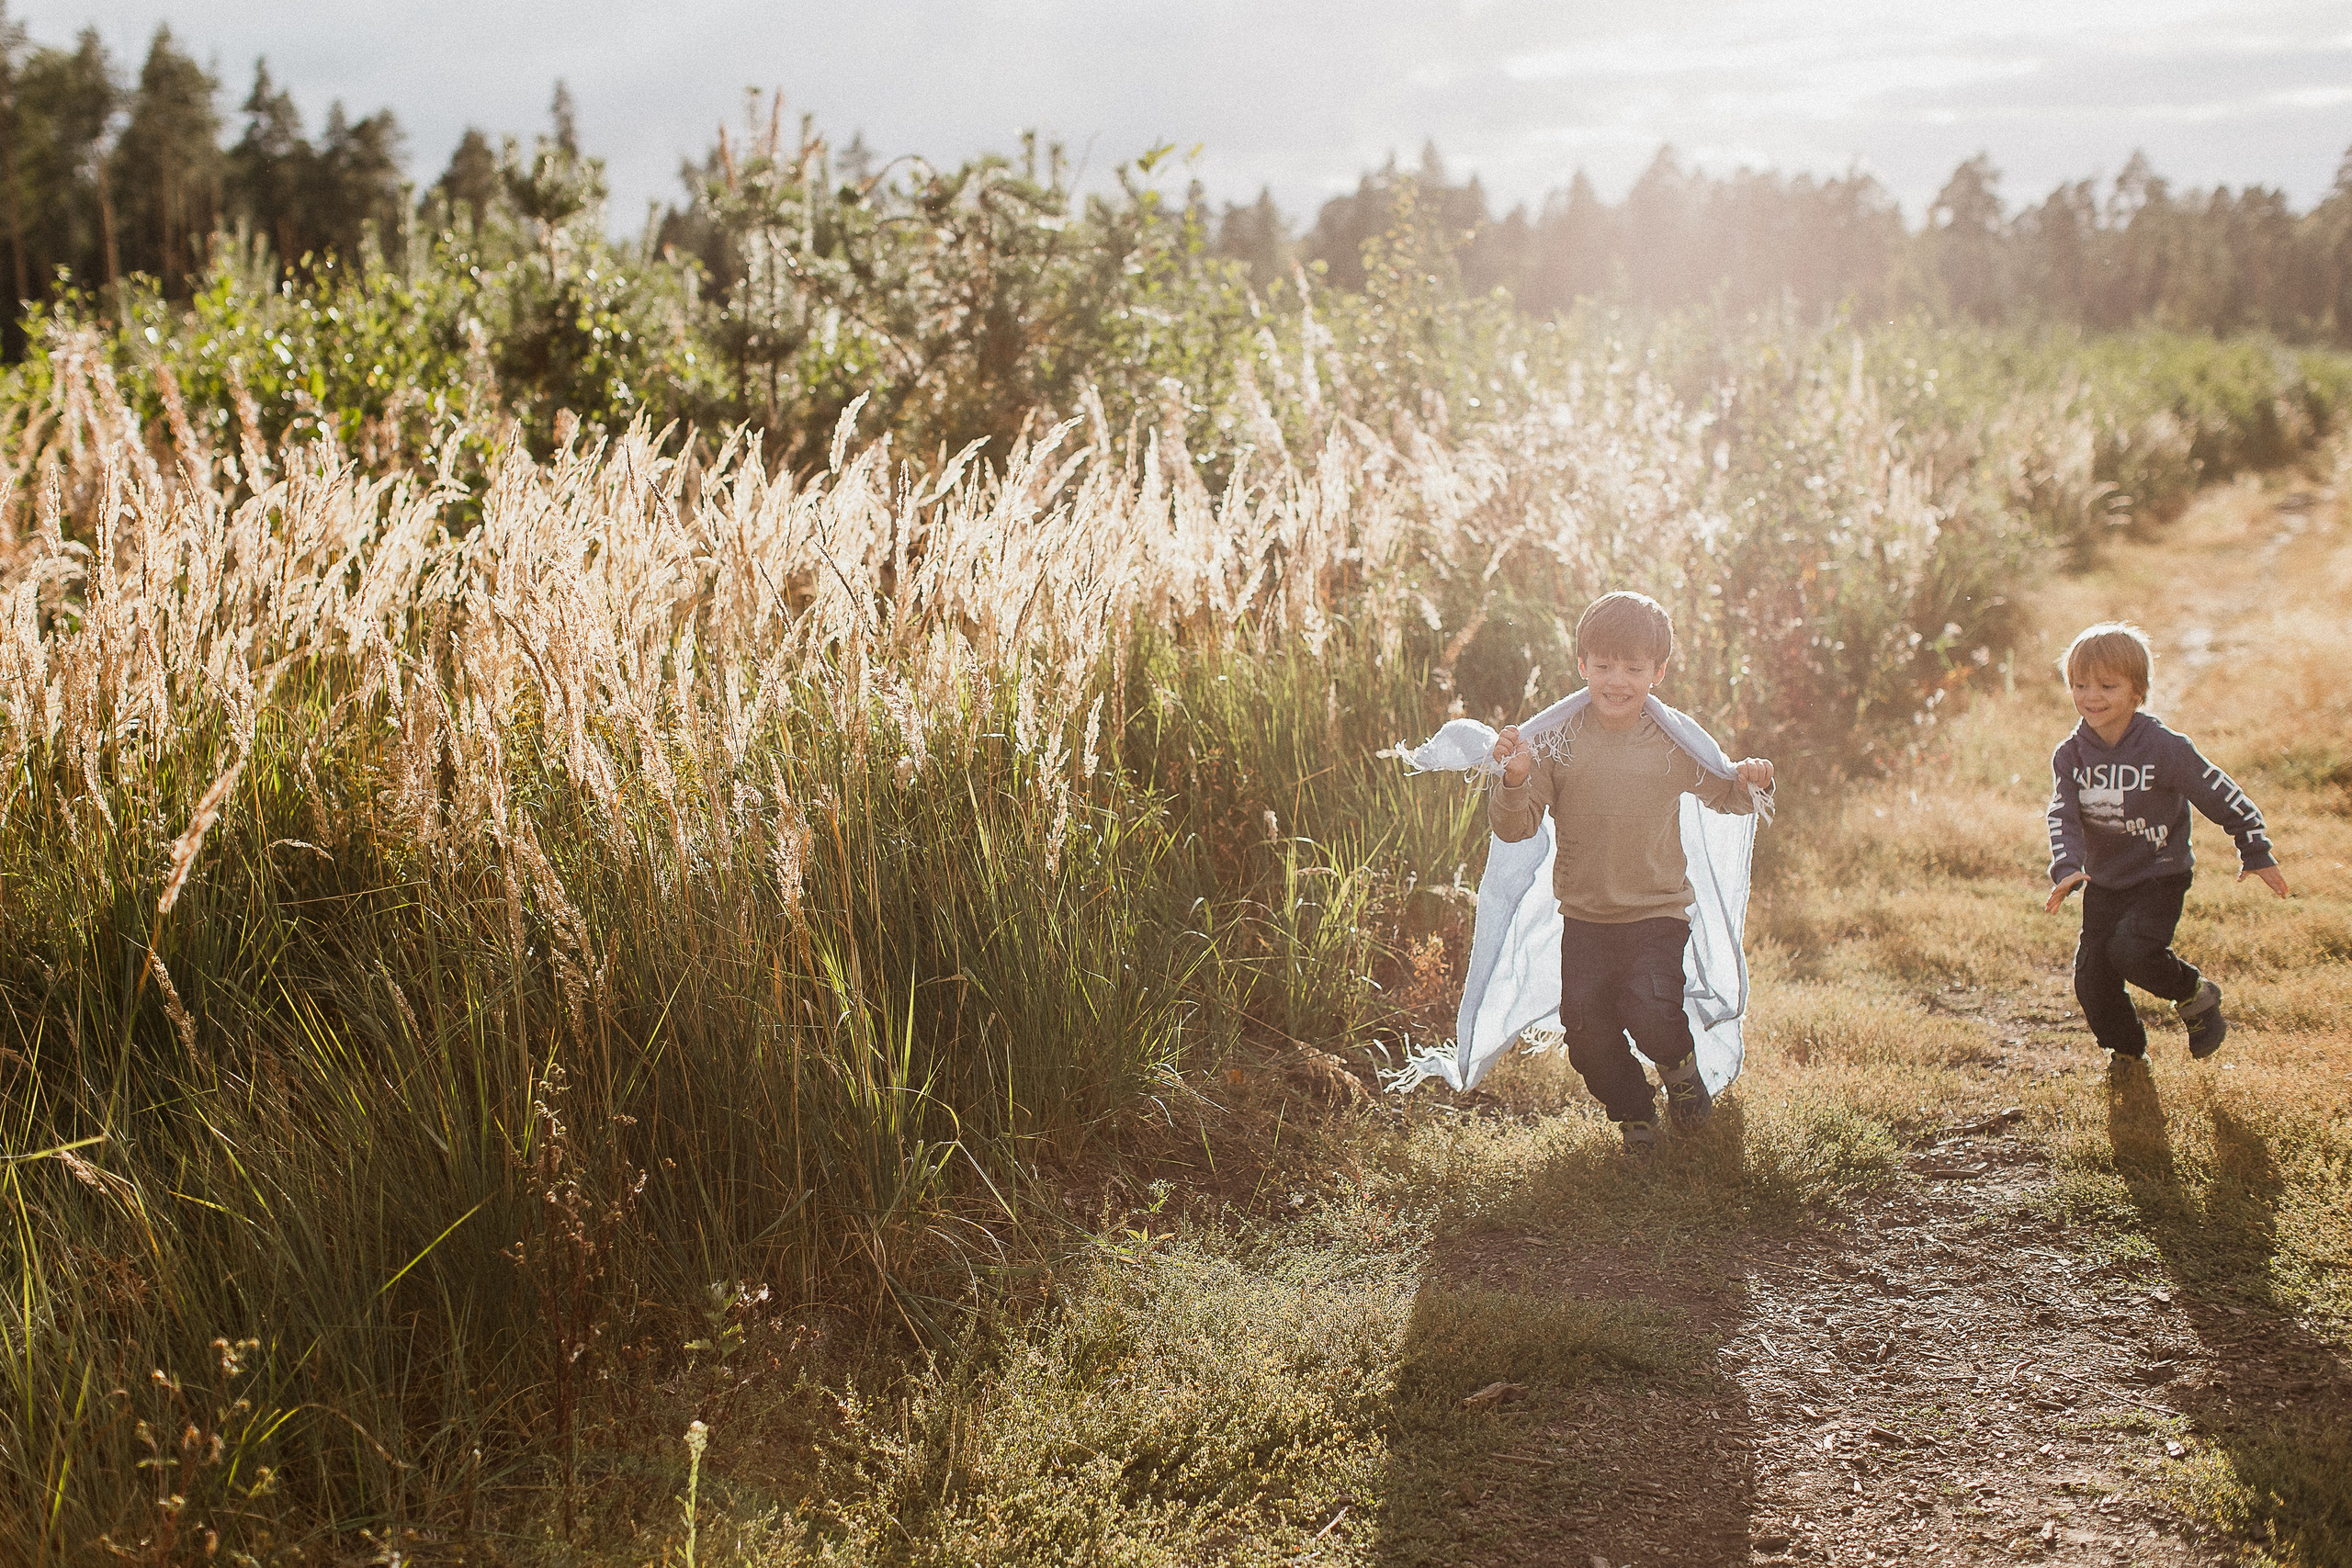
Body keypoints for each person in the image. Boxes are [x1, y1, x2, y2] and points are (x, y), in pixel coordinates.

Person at [1487, 591, 1775, 1151]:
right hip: (1587, 918)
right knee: (1588, 1034)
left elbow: (1724, 792)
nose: (1617, 681)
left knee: (1650, 1007)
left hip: (1657, 910)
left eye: (1634, 668)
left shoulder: (1670, 742)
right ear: (1582, 666)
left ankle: (1681, 1073)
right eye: (1604, 666)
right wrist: (1516, 777)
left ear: (1658, 672)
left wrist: (1751, 781)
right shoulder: (1555, 742)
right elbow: (1515, 829)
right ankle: (1635, 1116)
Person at [2044, 621, 2289, 1062]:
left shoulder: (2165, 748)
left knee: (2132, 950)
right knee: (2092, 979)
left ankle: (2194, 994)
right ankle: (2127, 1054)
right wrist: (2067, 867)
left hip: (2159, 875)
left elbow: (2221, 794)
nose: (2090, 696)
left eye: (2107, 685)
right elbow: (2063, 815)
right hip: (2105, 882)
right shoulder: (2072, 755)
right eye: (2080, 685)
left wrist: (2255, 849)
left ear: (2138, 691)